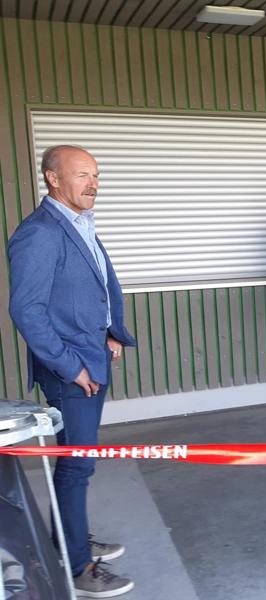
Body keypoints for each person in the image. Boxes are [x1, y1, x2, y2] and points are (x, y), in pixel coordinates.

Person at [8, 145, 137, 597]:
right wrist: (70, 366)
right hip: (71, 369)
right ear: (53, 179)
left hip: (92, 355)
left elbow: (95, 288)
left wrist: (110, 332)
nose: (93, 183)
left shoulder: (79, 223)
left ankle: (72, 538)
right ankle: (77, 564)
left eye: (96, 175)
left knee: (78, 462)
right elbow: (27, 310)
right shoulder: (40, 233)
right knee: (77, 464)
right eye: (82, 175)